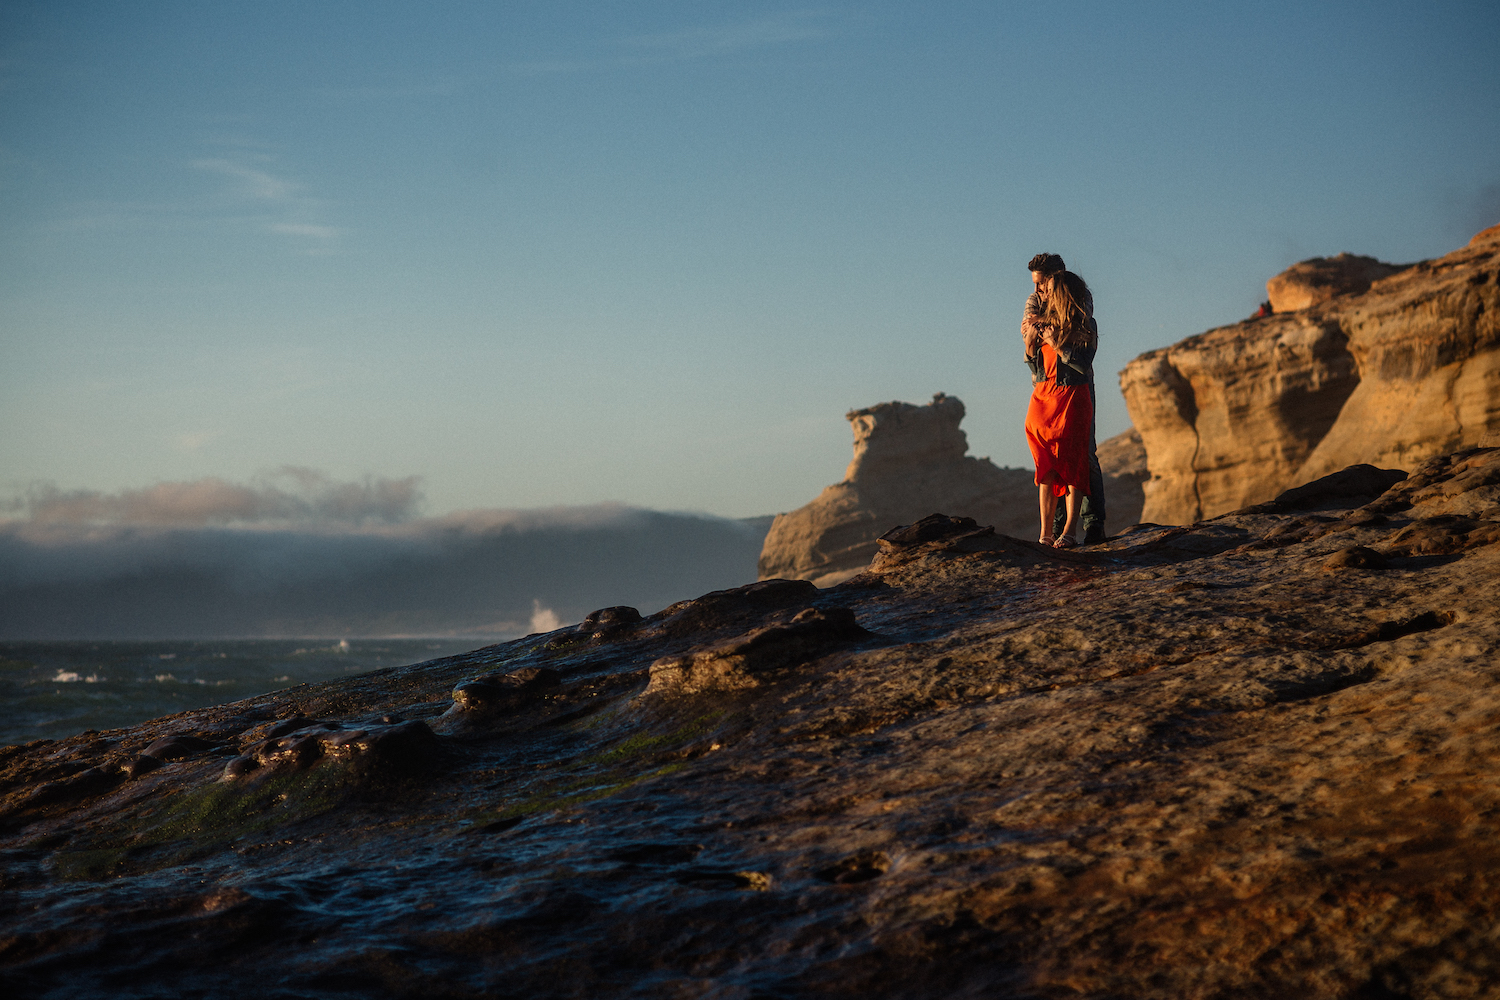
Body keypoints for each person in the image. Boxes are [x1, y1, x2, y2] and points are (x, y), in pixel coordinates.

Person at [1022, 254, 1099, 547]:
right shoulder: (1039, 312)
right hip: (1043, 397)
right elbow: (1035, 362)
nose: (1039, 292)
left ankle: (1075, 529)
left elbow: (1081, 362)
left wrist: (1055, 343)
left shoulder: (1083, 324)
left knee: (1077, 462)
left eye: (1043, 285)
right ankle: (1046, 533)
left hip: (1071, 397)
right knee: (1046, 466)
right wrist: (1031, 346)